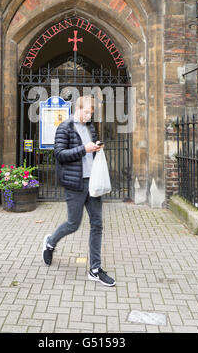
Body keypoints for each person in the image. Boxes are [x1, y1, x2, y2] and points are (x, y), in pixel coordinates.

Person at [42, 95, 116, 287]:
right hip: (75, 184)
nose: (89, 115)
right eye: (86, 111)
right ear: (78, 108)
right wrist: (84, 149)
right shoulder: (65, 127)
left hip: (93, 183)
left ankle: (95, 269)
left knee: (97, 224)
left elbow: (89, 150)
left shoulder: (90, 127)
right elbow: (59, 154)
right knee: (73, 224)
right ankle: (50, 242)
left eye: (91, 112)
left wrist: (96, 148)